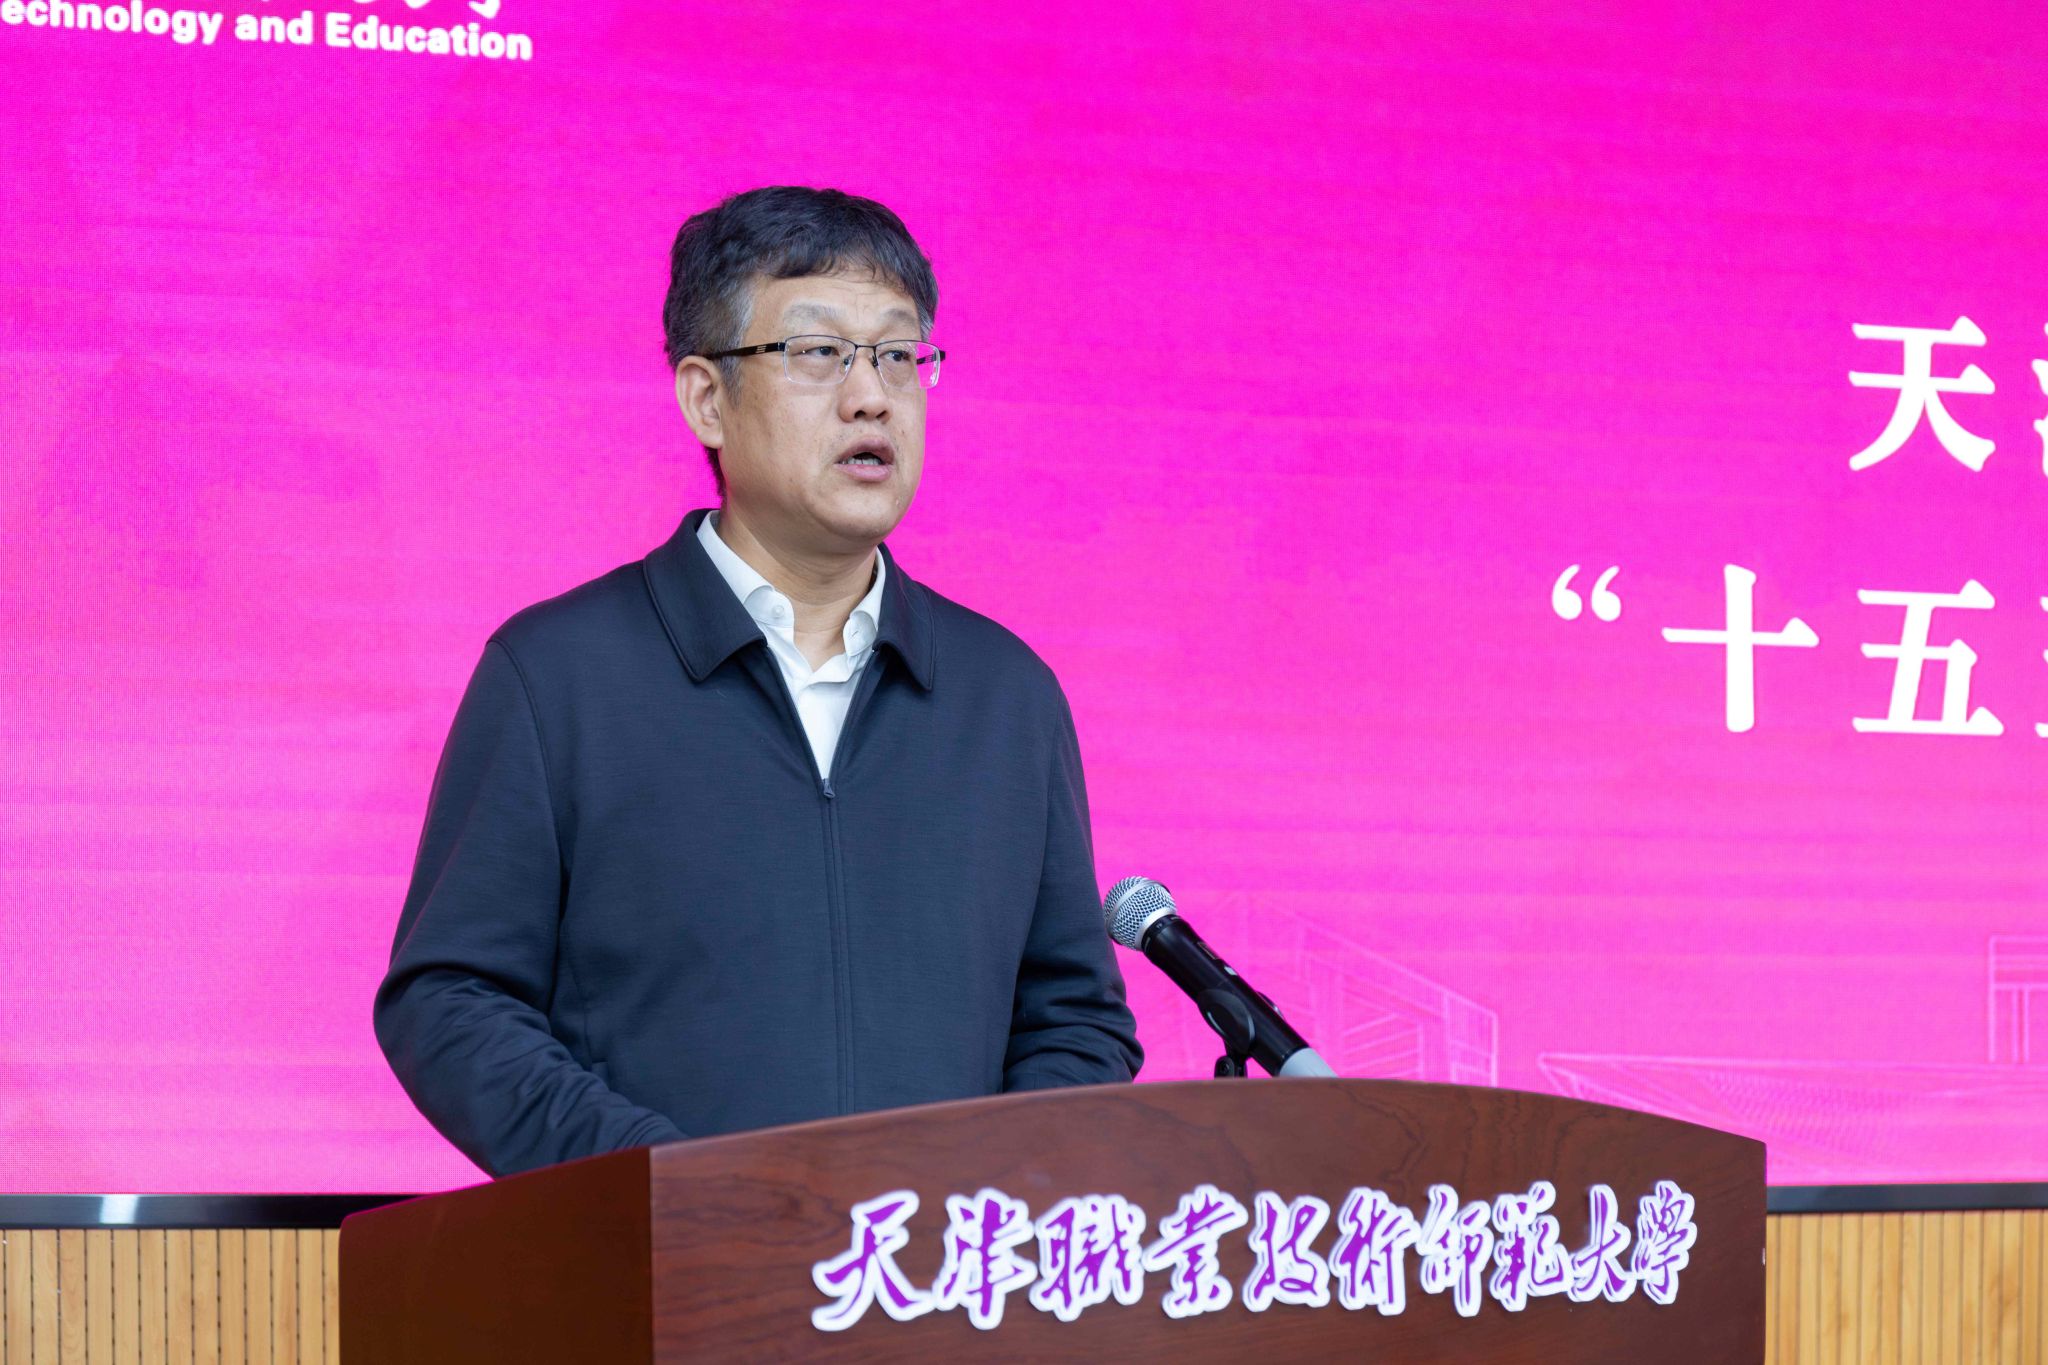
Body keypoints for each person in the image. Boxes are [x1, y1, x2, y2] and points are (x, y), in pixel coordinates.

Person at [373, 185, 1143, 1178]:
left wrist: (982, 1197)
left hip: (932, 1270)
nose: (871, 397)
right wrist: (658, 1184)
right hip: (660, 1259)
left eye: (898, 355)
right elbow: (451, 1000)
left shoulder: (1006, 698)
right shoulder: (558, 676)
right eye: (819, 353)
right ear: (707, 398)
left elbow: (1073, 1018)